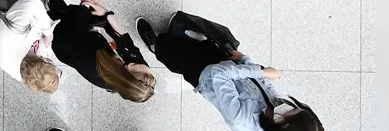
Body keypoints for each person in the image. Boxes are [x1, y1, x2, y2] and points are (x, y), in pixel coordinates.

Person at [138, 12, 323, 130]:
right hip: (235, 69)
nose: (289, 106)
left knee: (177, 58)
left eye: (291, 112)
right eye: (296, 108)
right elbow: (265, 84)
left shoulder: (241, 119)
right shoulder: (283, 106)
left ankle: (157, 46)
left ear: (281, 123)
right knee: (204, 45)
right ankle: (179, 33)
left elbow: (218, 74)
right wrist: (245, 60)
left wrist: (260, 71)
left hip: (206, 76)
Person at [45, 0, 156, 102]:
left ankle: (48, 1)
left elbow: (74, 31)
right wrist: (106, 14)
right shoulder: (139, 70)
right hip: (89, 37)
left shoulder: (94, 68)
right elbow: (126, 42)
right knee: (67, 13)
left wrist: (85, 6)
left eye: (129, 67)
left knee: (56, 17)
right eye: (140, 64)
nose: (131, 62)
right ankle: (54, 4)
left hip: (66, 40)